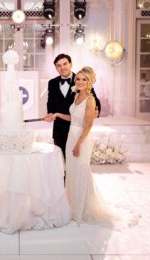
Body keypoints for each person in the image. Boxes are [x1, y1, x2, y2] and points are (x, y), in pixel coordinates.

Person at [51, 67, 112, 223]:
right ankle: (72, 205)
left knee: (82, 170)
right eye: (77, 79)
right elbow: (73, 118)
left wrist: (78, 144)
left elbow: (88, 124)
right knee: (72, 171)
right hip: (72, 135)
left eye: (84, 79)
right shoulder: (76, 96)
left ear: (89, 81)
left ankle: (82, 209)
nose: (79, 82)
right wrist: (57, 114)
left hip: (82, 139)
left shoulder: (90, 100)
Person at [44, 54, 101, 159]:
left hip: (77, 130)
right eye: (58, 65)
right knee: (60, 164)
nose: (62, 68)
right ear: (56, 68)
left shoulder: (81, 79)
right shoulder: (52, 83)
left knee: (76, 163)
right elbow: (50, 102)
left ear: (71, 64)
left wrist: (95, 110)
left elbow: (94, 100)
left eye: (65, 64)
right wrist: (50, 114)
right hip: (59, 130)